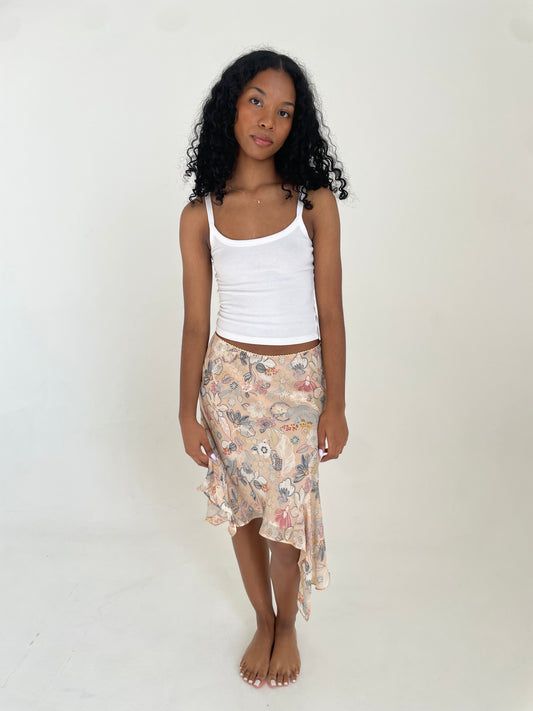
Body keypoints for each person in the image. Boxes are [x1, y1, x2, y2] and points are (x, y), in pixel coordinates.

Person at [178, 48, 349, 690]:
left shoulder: (312, 203)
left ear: (295, 125)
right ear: (231, 106)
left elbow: (331, 312)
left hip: (299, 385)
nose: (267, 120)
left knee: (287, 519)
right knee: (246, 513)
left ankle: (289, 625)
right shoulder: (201, 214)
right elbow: (195, 325)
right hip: (228, 385)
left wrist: (336, 405)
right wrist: (186, 412)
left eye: (284, 111)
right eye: (256, 101)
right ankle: (263, 619)